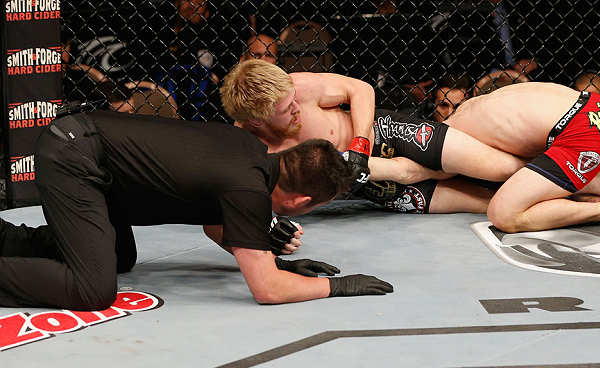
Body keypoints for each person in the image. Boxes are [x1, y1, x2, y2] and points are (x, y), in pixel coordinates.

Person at [0, 111, 392, 310]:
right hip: (77, 157)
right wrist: (337, 287)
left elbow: (219, 227)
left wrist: (278, 263)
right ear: (301, 202)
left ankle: (7, 238)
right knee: (92, 289)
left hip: (93, 153)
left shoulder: (249, 152)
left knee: (120, 257)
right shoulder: (247, 189)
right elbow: (267, 291)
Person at [221, 60, 529, 214]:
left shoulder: (298, 86)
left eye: (292, 100)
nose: (296, 108)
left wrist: (359, 144)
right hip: (364, 183)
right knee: (488, 204)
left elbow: (361, 89)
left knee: (501, 169)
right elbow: (266, 199)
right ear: (256, 121)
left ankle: (566, 175)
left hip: (382, 132)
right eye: (286, 110)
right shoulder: (248, 146)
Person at [444, 81, 600, 232]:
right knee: (544, 144)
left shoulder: (454, 128)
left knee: (503, 213)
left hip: (583, 137)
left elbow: (433, 165)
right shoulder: (498, 99)